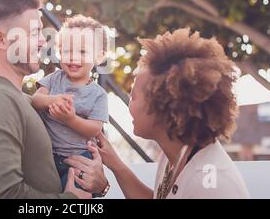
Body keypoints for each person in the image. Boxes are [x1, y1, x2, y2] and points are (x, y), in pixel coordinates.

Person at [65, 28, 250, 199]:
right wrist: (115, 165)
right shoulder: (176, 155)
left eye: (134, 96)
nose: (129, 104)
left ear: (164, 105)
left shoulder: (209, 184)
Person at [0, 0, 108, 198]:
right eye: (34, 33)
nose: (43, 41)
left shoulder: (21, 99)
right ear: (2, 40)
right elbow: (2, 196)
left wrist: (100, 186)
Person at [31, 15, 109, 192]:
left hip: (80, 158)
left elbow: (95, 129)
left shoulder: (98, 94)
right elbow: (35, 100)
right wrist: (53, 99)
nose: (73, 58)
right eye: (67, 51)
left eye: (82, 52)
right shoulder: (53, 79)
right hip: (48, 156)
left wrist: (70, 119)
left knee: (76, 198)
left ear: (99, 56)